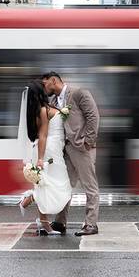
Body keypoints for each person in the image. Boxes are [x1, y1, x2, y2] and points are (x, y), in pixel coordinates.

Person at [40, 71, 100, 237]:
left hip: (82, 148)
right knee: (65, 185)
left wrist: (88, 141)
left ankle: (91, 224)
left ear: (54, 81)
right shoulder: (52, 101)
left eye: (45, 84)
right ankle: (60, 222)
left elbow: (93, 116)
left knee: (90, 186)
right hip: (64, 150)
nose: (44, 88)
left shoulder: (79, 93)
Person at [17, 81, 72, 235]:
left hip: (55, 149)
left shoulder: (45, 108)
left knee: (48, 184)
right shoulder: (43, 110)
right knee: (51, 184)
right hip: (48, 151)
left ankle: (31, 205)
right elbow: (43, 135)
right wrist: (40, 159)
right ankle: (44, 223)